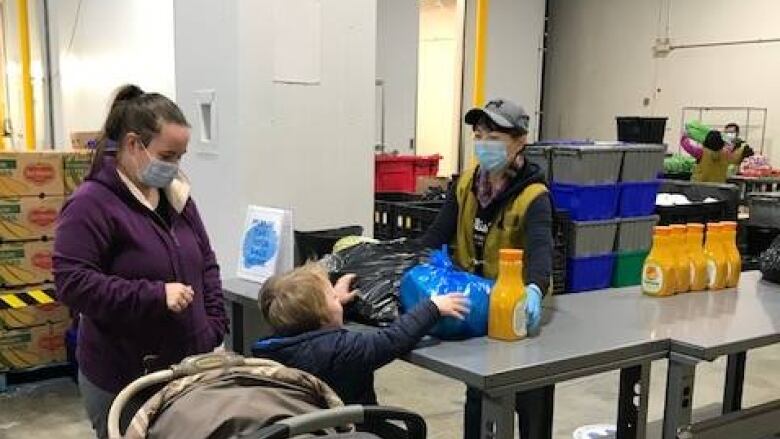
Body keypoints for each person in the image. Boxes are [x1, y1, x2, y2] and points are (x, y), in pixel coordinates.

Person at [54, 85, 228, 438]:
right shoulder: (92, 204)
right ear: (134, 145)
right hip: (124, 380)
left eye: (181, 156)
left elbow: (206, 262)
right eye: (167, 155)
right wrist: (154, 295)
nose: (175, 166)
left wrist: (213, 325)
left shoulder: (177, 197)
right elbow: (72, 283)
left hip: (183, 373)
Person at [418, 98, 554, 438]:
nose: (483, 144)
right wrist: (410, 262)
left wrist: (534, 289)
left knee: (530, 395)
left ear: (520, 141)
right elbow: (438, 233)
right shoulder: (465, 185)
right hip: (477, 309)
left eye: (494, 137)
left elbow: (541, 251)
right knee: (480, 395)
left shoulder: (534, 195)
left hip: (518, 311)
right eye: (479, 135)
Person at [251, 263, 467, 404]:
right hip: (353, 428)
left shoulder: (270, 349)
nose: (338, 299)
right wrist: (432, 307)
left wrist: (332, 304)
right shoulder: (342, 349)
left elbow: (315, 334)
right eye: (333, 298)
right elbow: (393, 339)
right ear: (321, 315)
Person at [680, 129, 746, 183]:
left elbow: (687, 146)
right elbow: (736, 158)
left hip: (699, 186)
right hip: (718, 187)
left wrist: (684, 137)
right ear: (721, 142)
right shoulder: (726, 154)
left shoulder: (701, 152)